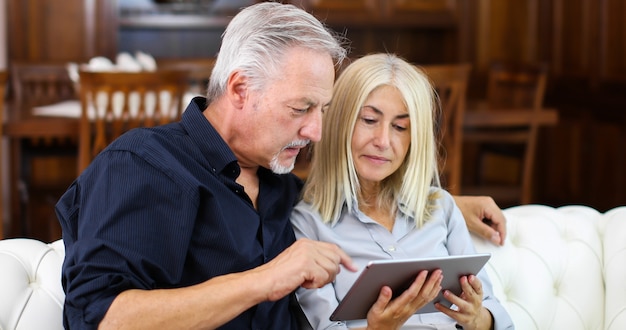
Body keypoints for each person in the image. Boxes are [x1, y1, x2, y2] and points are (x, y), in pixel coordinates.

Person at [56, 3, 505, 329]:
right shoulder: (143, 164)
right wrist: (267, 279)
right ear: (239, 89)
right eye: (301, 109)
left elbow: (345, 193)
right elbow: (103, 318)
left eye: (323, 110)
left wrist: (442, 203)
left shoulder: (278, 181)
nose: (316, 131)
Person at [290, 53, 514, 329]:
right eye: (369, 120)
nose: (383, 141)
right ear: (340, 124)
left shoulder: (440, 208)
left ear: (414, 139)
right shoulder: (308, 225)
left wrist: (476, 318)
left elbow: (497, 316)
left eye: (400, 127)